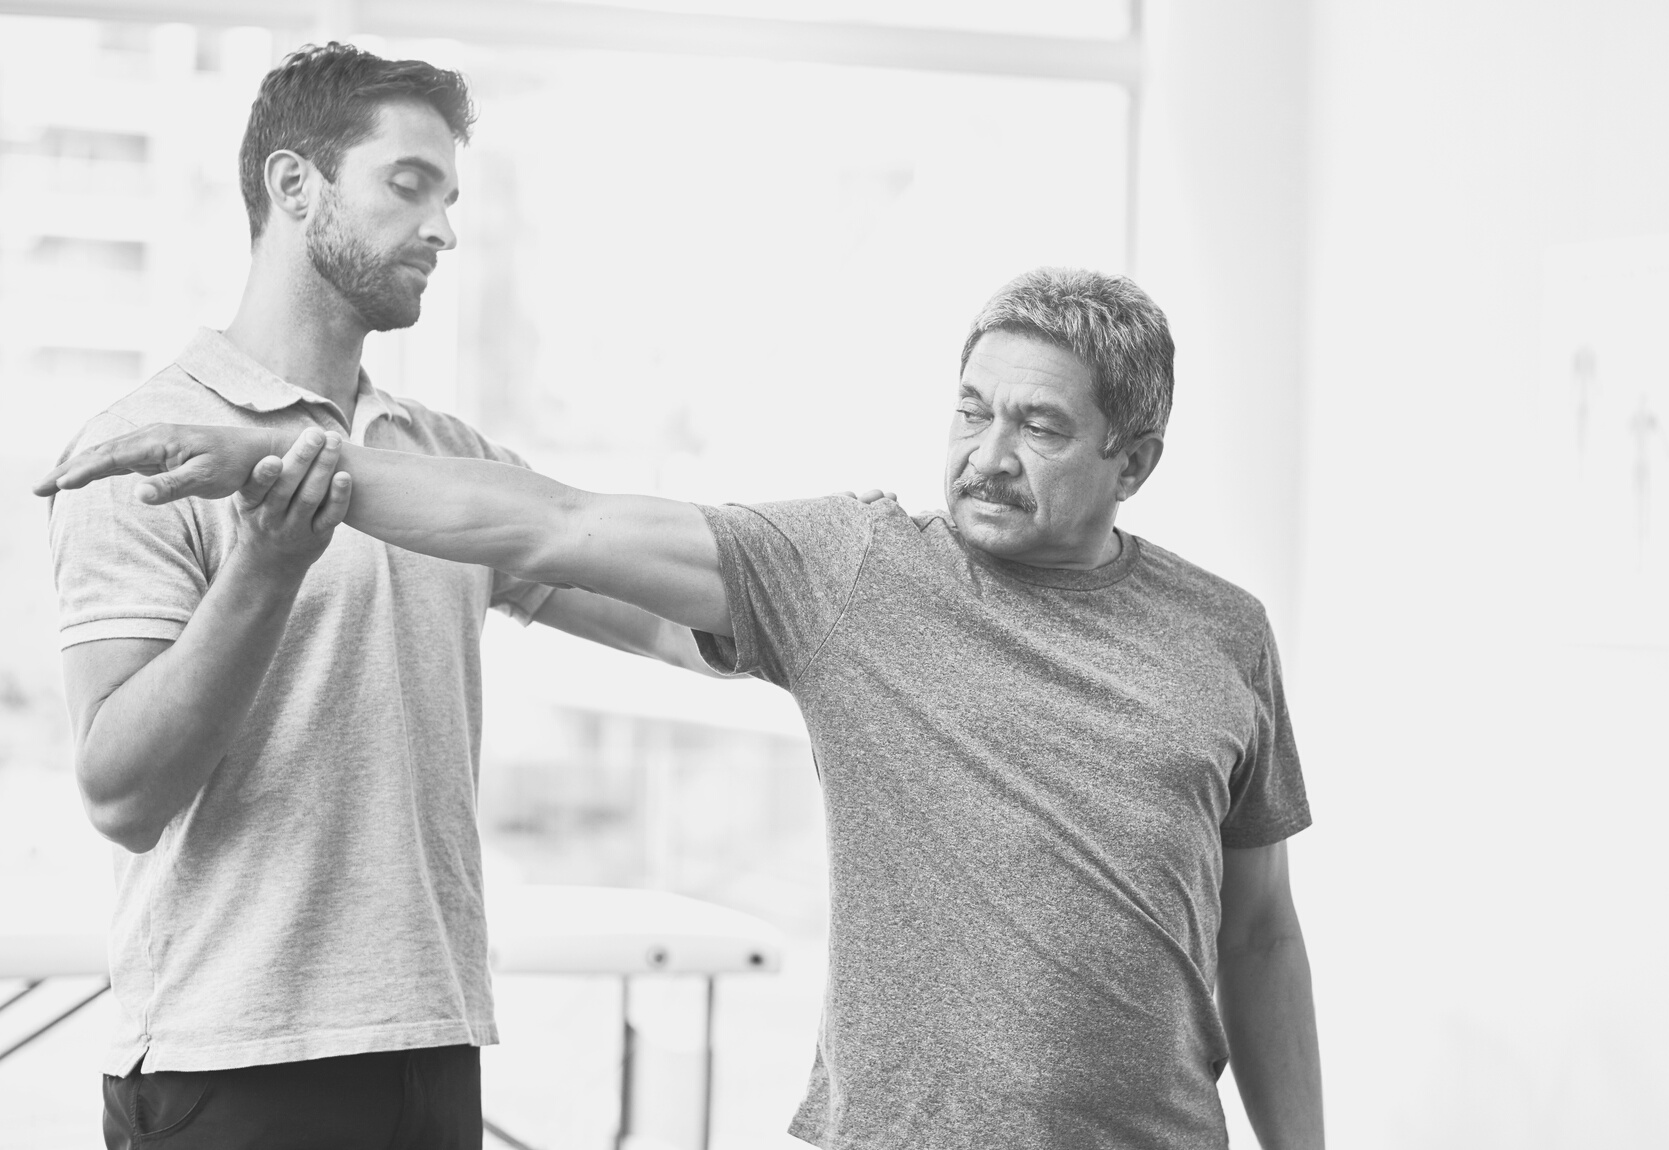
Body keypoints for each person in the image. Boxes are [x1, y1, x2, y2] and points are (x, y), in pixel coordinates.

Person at [42, 267, 1326, 1149]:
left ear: (1132, 460)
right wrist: (280, 459)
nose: (986, 456)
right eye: (972, 409)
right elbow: (549, 522)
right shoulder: (860, 573)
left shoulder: (1222, 636)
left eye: (1039, 427)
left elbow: (1259, 935)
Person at [43, 42, 714, 1150]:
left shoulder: (436, 454)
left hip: (430, 1040)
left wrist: (842, 615)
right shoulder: (143, 447)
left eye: (449, 197)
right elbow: (121, 791)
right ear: (293, 185)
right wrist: (263, 574)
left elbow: (658, 613)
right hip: (235, 1057)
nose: (444, 229)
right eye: (409, 185)